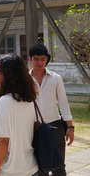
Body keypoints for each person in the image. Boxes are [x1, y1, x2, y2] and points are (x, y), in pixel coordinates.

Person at [0, 54, 38, 176]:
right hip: (31, 167)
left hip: (11, 170)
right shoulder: (29, 99)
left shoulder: (5, 102)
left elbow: (4, 140)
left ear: (5, 75)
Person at [29, 44, 74, 176]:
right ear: (30, 59)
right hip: (32, 128)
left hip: (55, 127)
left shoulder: (56, 78)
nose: (39, 62)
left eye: (43, 59)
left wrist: (70, 127)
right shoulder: (25, 80)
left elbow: (64, 104)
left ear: (47, 60)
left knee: (58, 165)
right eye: (36, 59)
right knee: (36, 166)